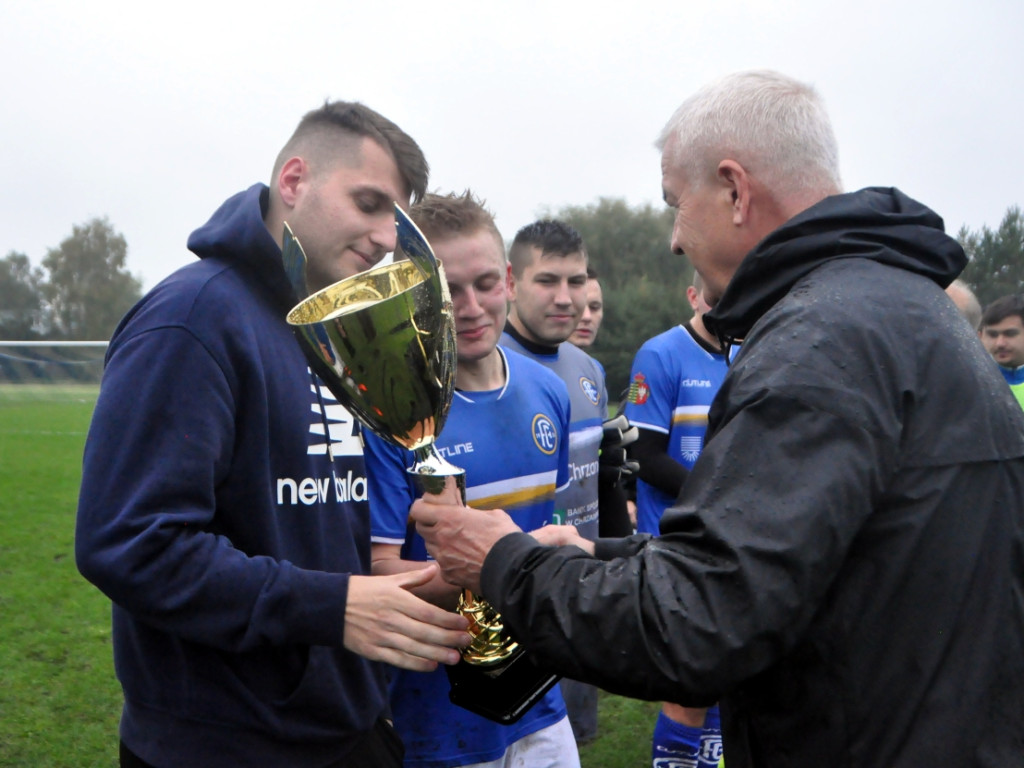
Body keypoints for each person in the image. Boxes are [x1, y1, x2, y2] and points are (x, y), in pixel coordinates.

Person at [409, 70, 1024, 767]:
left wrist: (503, 562)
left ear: (734, 190)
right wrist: (598, 557)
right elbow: (786, 569)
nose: (673, 238)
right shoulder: (902, 307)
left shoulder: (820, 343)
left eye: (676, 203)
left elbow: (697, 628)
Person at [75, 101, 472, 768]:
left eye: (394, 217)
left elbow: (312, 534)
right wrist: (333, 605)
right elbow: (128, 541)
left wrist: (424, 586)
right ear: (293, 181)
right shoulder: (193, 317)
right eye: (368, 202)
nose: (383, 236)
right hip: (225, 745)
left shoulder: (330, 331)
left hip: (348, 728)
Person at [362, 190, 580, 768]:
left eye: (485, 283)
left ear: (509, 280)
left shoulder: (548, 391)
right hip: (436, 718)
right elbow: (378, 574)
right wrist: (524, 559)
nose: (470, 305)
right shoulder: (395, 416)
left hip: (542, 698)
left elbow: (547, 524)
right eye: (447, 291)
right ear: (417, 296)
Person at [624, 272, 728, 768]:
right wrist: (719, 498)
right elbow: (642, 453)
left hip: (732, 541)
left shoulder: (750, 351)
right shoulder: (660, 354)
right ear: (692, 295)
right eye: (714, 296)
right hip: (673, 545)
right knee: (689, 685)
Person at [979, 293, 1024, 409]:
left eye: (1010, 334)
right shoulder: (970, 381)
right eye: (992, 335)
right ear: (980, 336)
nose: (1000, 343)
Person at [567, 266, 604, 348]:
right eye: (576, 306)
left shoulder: (592, 361)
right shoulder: (532, 360)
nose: (587, 317)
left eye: (594, 307)